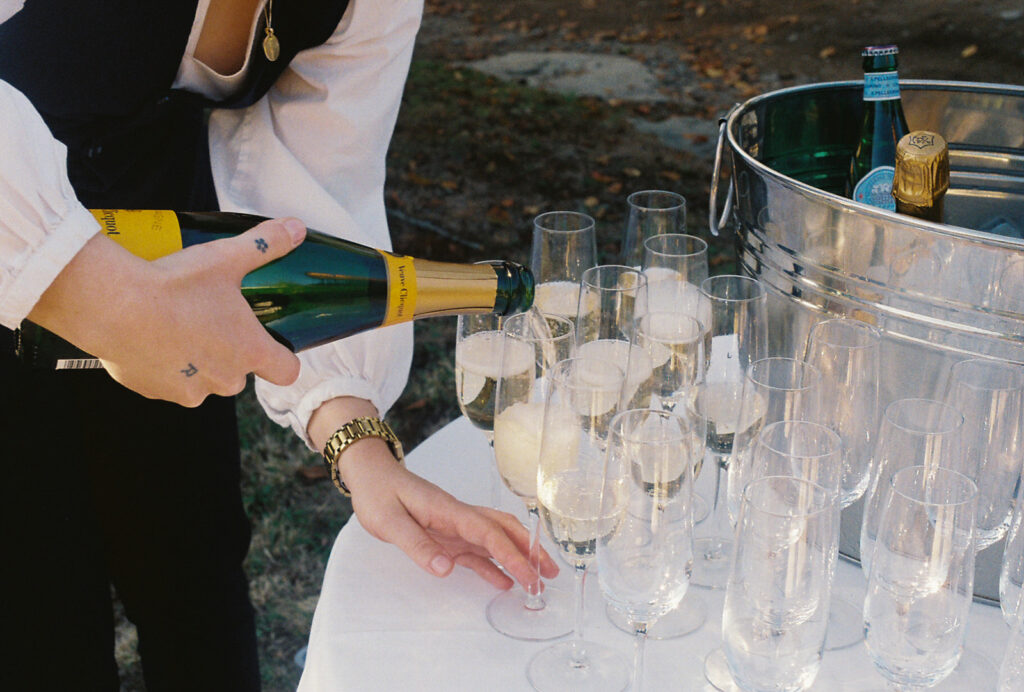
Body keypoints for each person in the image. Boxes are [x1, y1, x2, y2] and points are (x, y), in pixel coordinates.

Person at [0, 1, 556, 690]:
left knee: (195, 577)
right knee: (38, 614)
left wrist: (360, 447)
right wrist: (98, 292)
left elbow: (315, 192)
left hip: (182, 262)